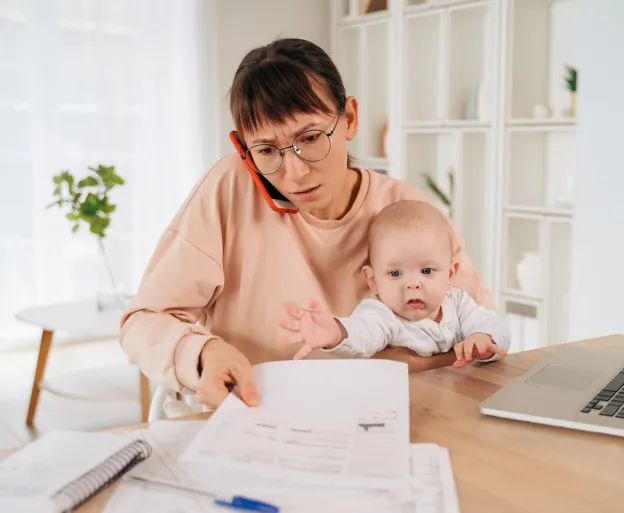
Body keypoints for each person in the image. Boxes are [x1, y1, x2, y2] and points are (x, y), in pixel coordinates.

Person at [119, 37, 495, 409]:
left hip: (382, 418)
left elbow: (481, 334)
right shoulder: (230, 188)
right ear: (245, 150)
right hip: (257, 415)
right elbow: (143, 322)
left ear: (348, 118)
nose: (295, 172)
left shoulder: (405, 208)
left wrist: (413, 364)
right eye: (267, 150)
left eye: (311, 138)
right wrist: (204, 353)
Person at [278, 200, 509, 367]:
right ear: (373, 281)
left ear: (450, 275)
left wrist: (483, 338)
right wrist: (337, 332)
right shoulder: (383, 314)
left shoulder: (457, 303)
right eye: (396, 273)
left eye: (426, 271)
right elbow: (363, 335)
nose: (412, 284)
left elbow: (494, 324)